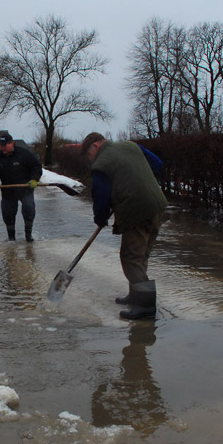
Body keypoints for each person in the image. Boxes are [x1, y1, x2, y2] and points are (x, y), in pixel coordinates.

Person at [80, 132, 168, 319]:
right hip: (157, 206)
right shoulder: (130, 146)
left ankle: (145, 307)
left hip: (137, 211)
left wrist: (100, 218)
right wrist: (135, 181)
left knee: (131, 257)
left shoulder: (102, 164)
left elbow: (101, 197)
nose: (90, 159)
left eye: (88, 154)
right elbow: (157, 164)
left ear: (95, 145)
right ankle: (135, 295)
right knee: (141, 254)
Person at [0, 133, 43, 242]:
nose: (3, 148)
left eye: (5, 145)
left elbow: (36, 166)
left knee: (29, 208)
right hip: (8, 191)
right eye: (1, 145)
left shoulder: (24, 154)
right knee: (7, 213)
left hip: (25, 189)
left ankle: (28, 235)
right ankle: (11, 238)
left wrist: (34, 179)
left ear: (11, 143)